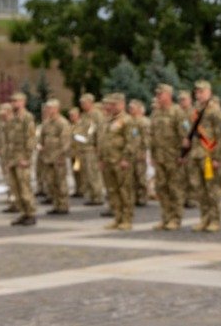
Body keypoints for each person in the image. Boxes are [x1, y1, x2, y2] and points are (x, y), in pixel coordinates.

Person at [187, 80, 221, 233]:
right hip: (196, 155)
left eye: (202, 91)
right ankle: (204, 219)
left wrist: (217, 157)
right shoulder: (195, 110)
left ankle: (215, 220)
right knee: (199, 190)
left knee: (212, 190)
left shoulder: (215, 110)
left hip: (209, 156)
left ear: (209, 92)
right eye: (197, 92)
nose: (199, 94)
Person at [148, 83, 190, 230]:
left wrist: (183, 155)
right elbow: (152, 136)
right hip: (160, 157)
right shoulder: (156, 113)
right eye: (157, 94)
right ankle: (165, 217)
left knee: (175, 188)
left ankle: (175, 218)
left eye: (161, 94)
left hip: (173, 157)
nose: (158, 96)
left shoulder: (177, 112)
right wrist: (153, 156)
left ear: (169, 95)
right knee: (161, 188)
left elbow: (185, 137)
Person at [99, 94, 143, 229]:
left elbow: (133, 141)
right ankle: (117, 218)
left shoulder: (128, 120)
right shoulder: (108, 121)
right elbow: (104, 141)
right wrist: (101, 159)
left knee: (125, 191)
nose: (111, 107)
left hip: (121, 161)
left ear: (122, 104)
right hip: (109, 161)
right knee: (112, 191)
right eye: (110, 104)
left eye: (114, 104)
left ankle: (127, 219)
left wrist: (126, 159)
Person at [0, 93, 38, 226]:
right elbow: (9, 141)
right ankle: (23, 212)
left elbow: (30, 139)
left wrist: (27, 158)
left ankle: (31, 213)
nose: (15, 104)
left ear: (23, 102)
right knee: (16, 188)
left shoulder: (27, 118)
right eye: (13, 101)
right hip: (13, 159)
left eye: (17, 101)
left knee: (24, 187)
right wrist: (8, 160)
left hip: (22, 159)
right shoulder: (12, 119)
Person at [37, 99, 73, 216]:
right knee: (50, 182)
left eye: (50, 108)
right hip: (47, 157)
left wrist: (61, 155)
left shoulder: (62, 123)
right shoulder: (46, 123)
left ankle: (63, 205)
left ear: (57, 109)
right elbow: (42, 138)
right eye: (47, 108)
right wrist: (41, 147)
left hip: (58, 158)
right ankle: (56, 204)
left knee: (60, 182)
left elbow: (66, 142)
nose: (48, 110)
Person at [76, 92, 106, 208]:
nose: (82, 105)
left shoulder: (96, 115)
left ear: (90, 102)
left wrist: (99, 149)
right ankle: (92, 195)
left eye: (84, 103)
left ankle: (98, 196)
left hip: (92, 149)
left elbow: (99, 133)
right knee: (87, 174)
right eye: (81, 103)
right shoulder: (84, 115)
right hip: (84, 148)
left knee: (94, 173)